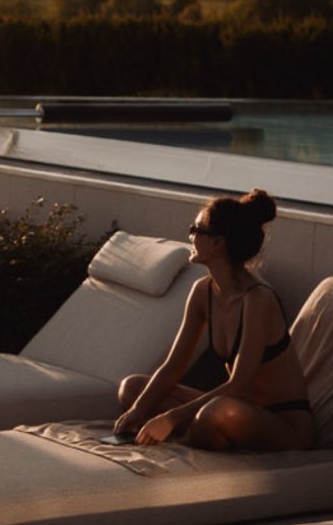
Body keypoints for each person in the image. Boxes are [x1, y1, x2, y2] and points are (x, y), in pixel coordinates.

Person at [113, 189, 314, 451]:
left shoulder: (258, 299)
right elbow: (173, 367)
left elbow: (239, 385)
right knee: (132, 388)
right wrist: (139, 409)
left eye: (196, 230)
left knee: (214, 413)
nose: (190, 236)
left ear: (218, 243)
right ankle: (194, 435)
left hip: (282, 425)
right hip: (237, 409)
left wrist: (170, 418)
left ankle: (188, 439)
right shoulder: (202, 292)